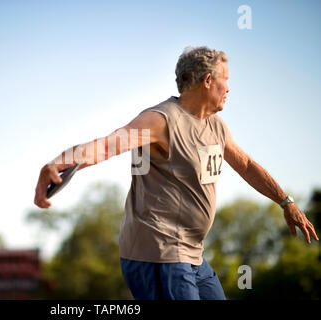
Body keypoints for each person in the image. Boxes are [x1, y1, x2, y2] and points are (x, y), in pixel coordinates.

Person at [34, 46, 319, 300]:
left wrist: (286, 202)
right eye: (226, 79)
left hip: (193, 254)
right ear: (208, 81)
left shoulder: (216, 126)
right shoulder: (161, 119)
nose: (229, 88)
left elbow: (245, 165)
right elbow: (110, 144)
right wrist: (59, 163)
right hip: (158, 253)